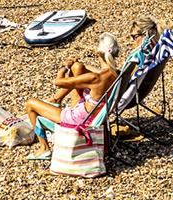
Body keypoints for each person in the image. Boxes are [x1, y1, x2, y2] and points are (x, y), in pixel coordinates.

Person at [22, 32, 124, 161]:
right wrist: (79, 65)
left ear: (97, 52)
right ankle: (55, 101)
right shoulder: (117, 74)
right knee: (78, 69)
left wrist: (65, 68)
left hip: (80, 120)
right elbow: (94, 74)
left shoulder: (95, 78)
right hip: (93, 114)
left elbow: (58, 83)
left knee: (30, 103)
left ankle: (44, 148)